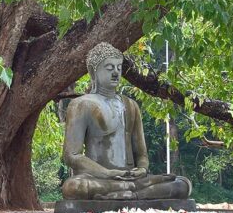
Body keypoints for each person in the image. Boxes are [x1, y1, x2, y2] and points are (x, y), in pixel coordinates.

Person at [61, 42, 192, 201]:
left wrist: (142, 169)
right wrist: (108, 173)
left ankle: (133, 194)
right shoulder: (81, 104)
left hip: (132, 178)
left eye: (118, 67)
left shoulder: (131, 105)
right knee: (73, 187)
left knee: (183, 184)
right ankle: (133, 192)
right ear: (93, 72)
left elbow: (141, 154)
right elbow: (72, 155)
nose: (116, 72)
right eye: (109, 68)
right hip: (100, 178)